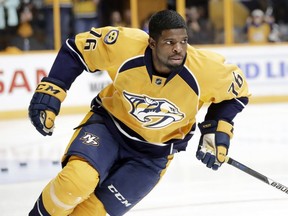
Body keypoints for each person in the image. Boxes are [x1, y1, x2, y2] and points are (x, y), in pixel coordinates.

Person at [28, 10, 250, 215]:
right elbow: (77, 50)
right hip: (109, 128)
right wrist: (53, 89)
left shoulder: (206, 69)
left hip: (153, 156)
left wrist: (216, 127)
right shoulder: (125, 45)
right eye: (169, 42)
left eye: (183, 41)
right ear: (152, 42)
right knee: (75, 182)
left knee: (91, 212)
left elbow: (238, 93)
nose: (178, 49)